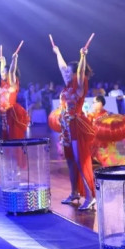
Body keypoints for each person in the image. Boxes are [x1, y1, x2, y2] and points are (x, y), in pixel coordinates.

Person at [53, 44, 96, 211]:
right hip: (66, 128)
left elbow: (80, 70)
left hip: (76, 126)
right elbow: (62, 67)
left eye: (68, 72)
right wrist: (58, 52)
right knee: (70, 160)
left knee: (80, 160)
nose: (65, 73)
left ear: (75, 73)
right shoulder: (67, 86)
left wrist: (83, 56)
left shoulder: (79, 86)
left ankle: (90, 196)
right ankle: (74, 193)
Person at [0, 50, 29, 139]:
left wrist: (14, 59)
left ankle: (16, 147)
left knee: (13, 136)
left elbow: (11, 71)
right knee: (6, 136)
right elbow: (2, 72)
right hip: (4, 113)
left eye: (4, 72)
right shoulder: (3, 84)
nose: (2, 73)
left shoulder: (12, 82)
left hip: (12, 113)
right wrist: (3, 61)